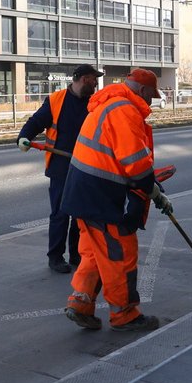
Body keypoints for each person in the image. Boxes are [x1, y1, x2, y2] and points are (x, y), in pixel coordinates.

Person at [60, 68, 171, 332]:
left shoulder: (108, 105)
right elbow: (133, 163)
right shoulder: (125, 110)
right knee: (119, 254)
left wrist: (151, 186)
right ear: (142, 91)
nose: (150, 103)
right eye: (151, 97)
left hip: (83, 192)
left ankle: (80, 303)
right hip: (101, 195)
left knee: (96, 254)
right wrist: (152, 189)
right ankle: (125, 315)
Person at [17, 63, 104, 274]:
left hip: (86, 165)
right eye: (94, 78)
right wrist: (24, 137)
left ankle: (76, 254)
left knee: (80, 214)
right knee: (60, 213)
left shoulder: (94, 102)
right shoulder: (56, 100)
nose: (96, 83)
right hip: (61, 165)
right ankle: (55, 257)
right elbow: (37, 121)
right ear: (84, 79)